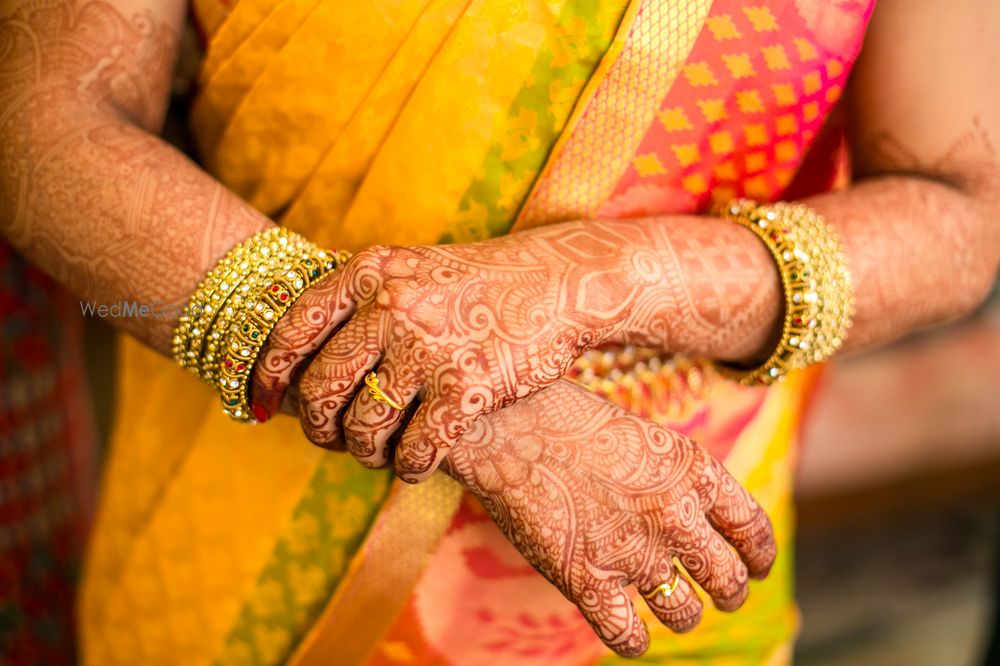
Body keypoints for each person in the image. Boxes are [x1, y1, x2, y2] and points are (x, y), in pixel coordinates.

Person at [0, 0, 997, 664]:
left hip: (663, 580)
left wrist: (582, 285)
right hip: (243, 578)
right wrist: (484, 417)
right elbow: (45, 122)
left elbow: (960, 209)